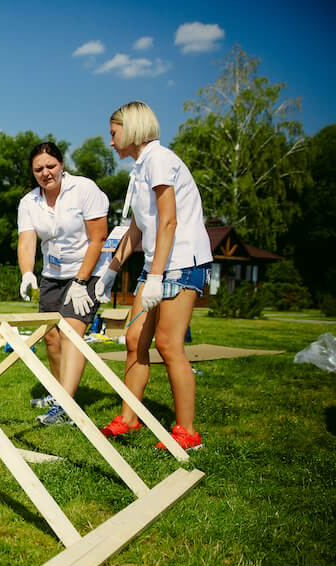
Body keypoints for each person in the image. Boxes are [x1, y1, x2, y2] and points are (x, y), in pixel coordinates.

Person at [94, 101, 213, 451]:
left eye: (113, 134)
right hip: (158, 264)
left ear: (130, 130)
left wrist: (158, 276)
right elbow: (138, 227)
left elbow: (169, 221)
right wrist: (111, 271)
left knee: (168, 344)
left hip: (181, 261)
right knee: (133, 339)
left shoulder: (159, 160)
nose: (111, 142)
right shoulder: (140, 168)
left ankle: (187, 433)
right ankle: (129, 419)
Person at [17, 142, 109, 426]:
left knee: (70, 335)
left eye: (50, 166)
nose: (45, 173)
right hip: (52, 276)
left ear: (62, 164)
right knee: (51, 338)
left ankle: (66, 408)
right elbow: (27, 240)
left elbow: (99, 238)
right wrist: (27, 273)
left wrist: (82, 281)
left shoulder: (84, 189)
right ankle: (59, 393)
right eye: (38, 169)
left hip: (86, 272)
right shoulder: (29, 202)